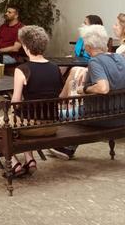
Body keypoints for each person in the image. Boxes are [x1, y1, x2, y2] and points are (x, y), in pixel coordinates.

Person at [50, 23, 125, 160]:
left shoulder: (95, 62)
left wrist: (84, 89)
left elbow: (103, 88)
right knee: (77, 111)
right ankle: (68, 147)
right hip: (121, 115)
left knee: (55, 114)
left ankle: (64, 147)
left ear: (88, 46)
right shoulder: (120, 58)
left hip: (101, 117)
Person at [8, 26, 63, 177]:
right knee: (21, 119)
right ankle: (29, 159)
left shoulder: (22, 69)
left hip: (31, 126)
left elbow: (16, 102)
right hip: (52, 125)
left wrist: (12, 111)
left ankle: (13, 163)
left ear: (26, 47)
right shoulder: (55, 68)